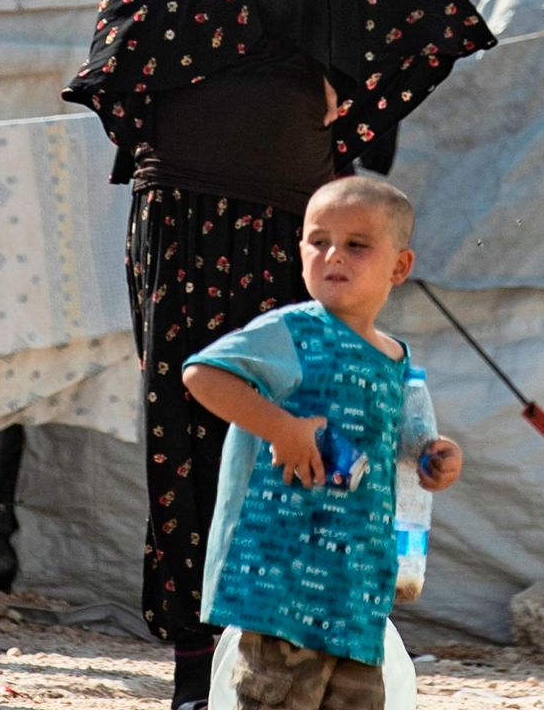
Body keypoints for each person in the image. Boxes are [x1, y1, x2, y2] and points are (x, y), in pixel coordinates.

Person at [62, 0, 493, 709]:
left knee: (310, 418)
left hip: (299, 225)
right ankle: (190, 663)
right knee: (190, 421)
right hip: (189, 208)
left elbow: (424, 15)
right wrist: (273, 44)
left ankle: (303, 639)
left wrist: (341, 77)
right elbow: (129, 38)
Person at [180, 176, 462, 710]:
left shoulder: (394, 358)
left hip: (356, 588)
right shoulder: (290, 331)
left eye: (357, 245)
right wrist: (280, 428)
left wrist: (435, 459)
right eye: (318, 241)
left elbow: (396, 444)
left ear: (399, 267)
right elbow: (204, 375)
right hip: (281, 584)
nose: (334, 254)